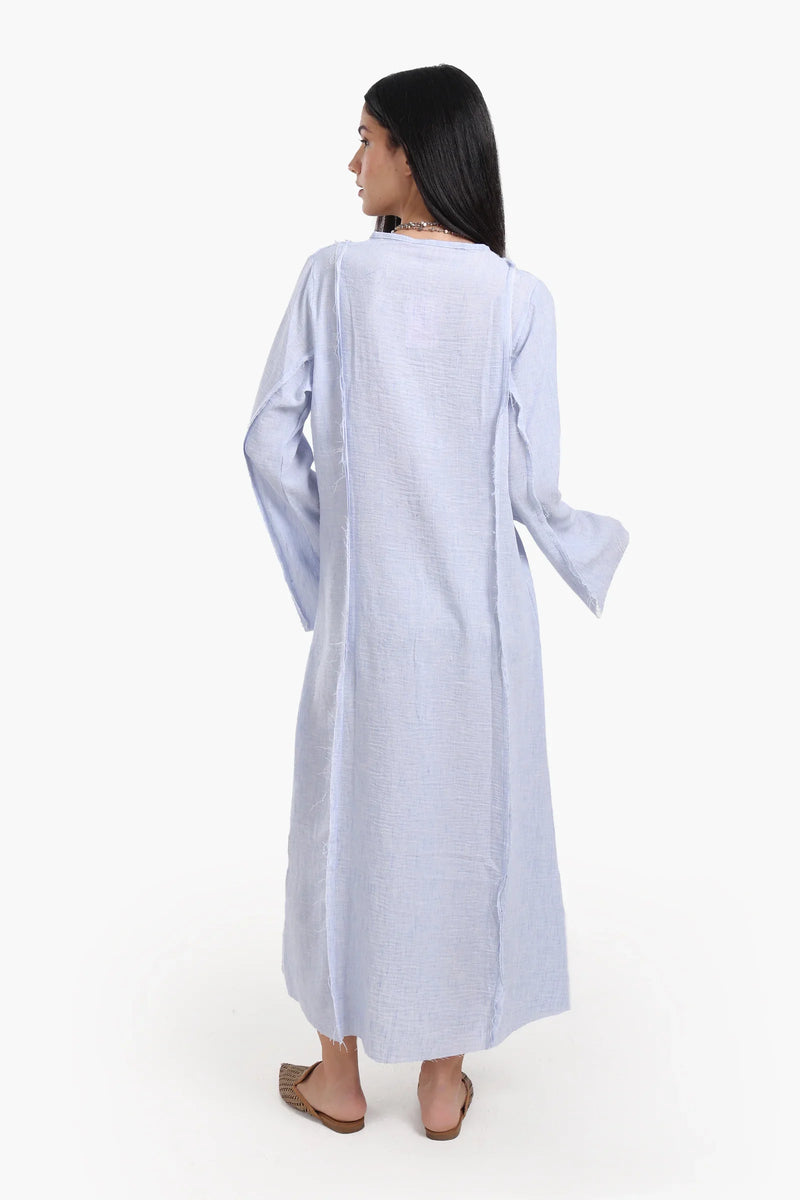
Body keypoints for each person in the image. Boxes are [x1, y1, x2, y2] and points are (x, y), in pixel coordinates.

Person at [244, 64, 630, 1139]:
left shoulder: (333, 278)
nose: (352, 160)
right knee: (463, 826)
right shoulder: (516, 297)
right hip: (480, 629)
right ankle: (441, 1085)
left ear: (413, 154)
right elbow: (530, 489)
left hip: (369, 626)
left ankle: (337, 1079)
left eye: (366, 138)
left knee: (343, 826)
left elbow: (267, 440)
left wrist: (330, 574)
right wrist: (595, 550)